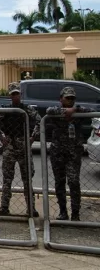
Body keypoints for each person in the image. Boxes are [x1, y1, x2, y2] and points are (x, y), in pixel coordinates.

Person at [47, 86, 98, 221]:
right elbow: (49, 110)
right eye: (67, 98)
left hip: (73, 153)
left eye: (72, 98)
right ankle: (63, 212)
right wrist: (65, 111)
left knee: (74, 181)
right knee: (60, 182)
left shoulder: (78, 112)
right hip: (57, 152)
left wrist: (75, 109)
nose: (70, 101)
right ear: (61, 99)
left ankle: (75, 213)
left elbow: (92, 111)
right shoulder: (56, 112)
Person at [0, 82, 40, 217]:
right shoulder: (6, 110)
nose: (15, 96)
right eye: (13, 94)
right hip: (10, 145)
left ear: (20, 94)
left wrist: (32, 137)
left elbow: (39, 121)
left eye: (17, 94)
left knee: (27, 179)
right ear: (10, 96)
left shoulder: (27, 109)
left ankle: (31, 208)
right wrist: (1, 137)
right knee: (7, 179)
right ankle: (4, 207)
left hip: (23, 144)